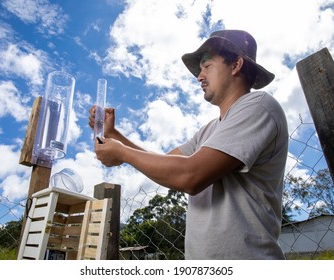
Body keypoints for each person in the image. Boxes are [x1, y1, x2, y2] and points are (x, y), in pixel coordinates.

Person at [89, 29, 288, 259]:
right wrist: (114, 135)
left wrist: (122, 153)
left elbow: (189, 176)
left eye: (207, 66)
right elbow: (168, 165)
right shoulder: (208, 131)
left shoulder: (259, 106)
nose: (199, 76)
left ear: (235, 65)